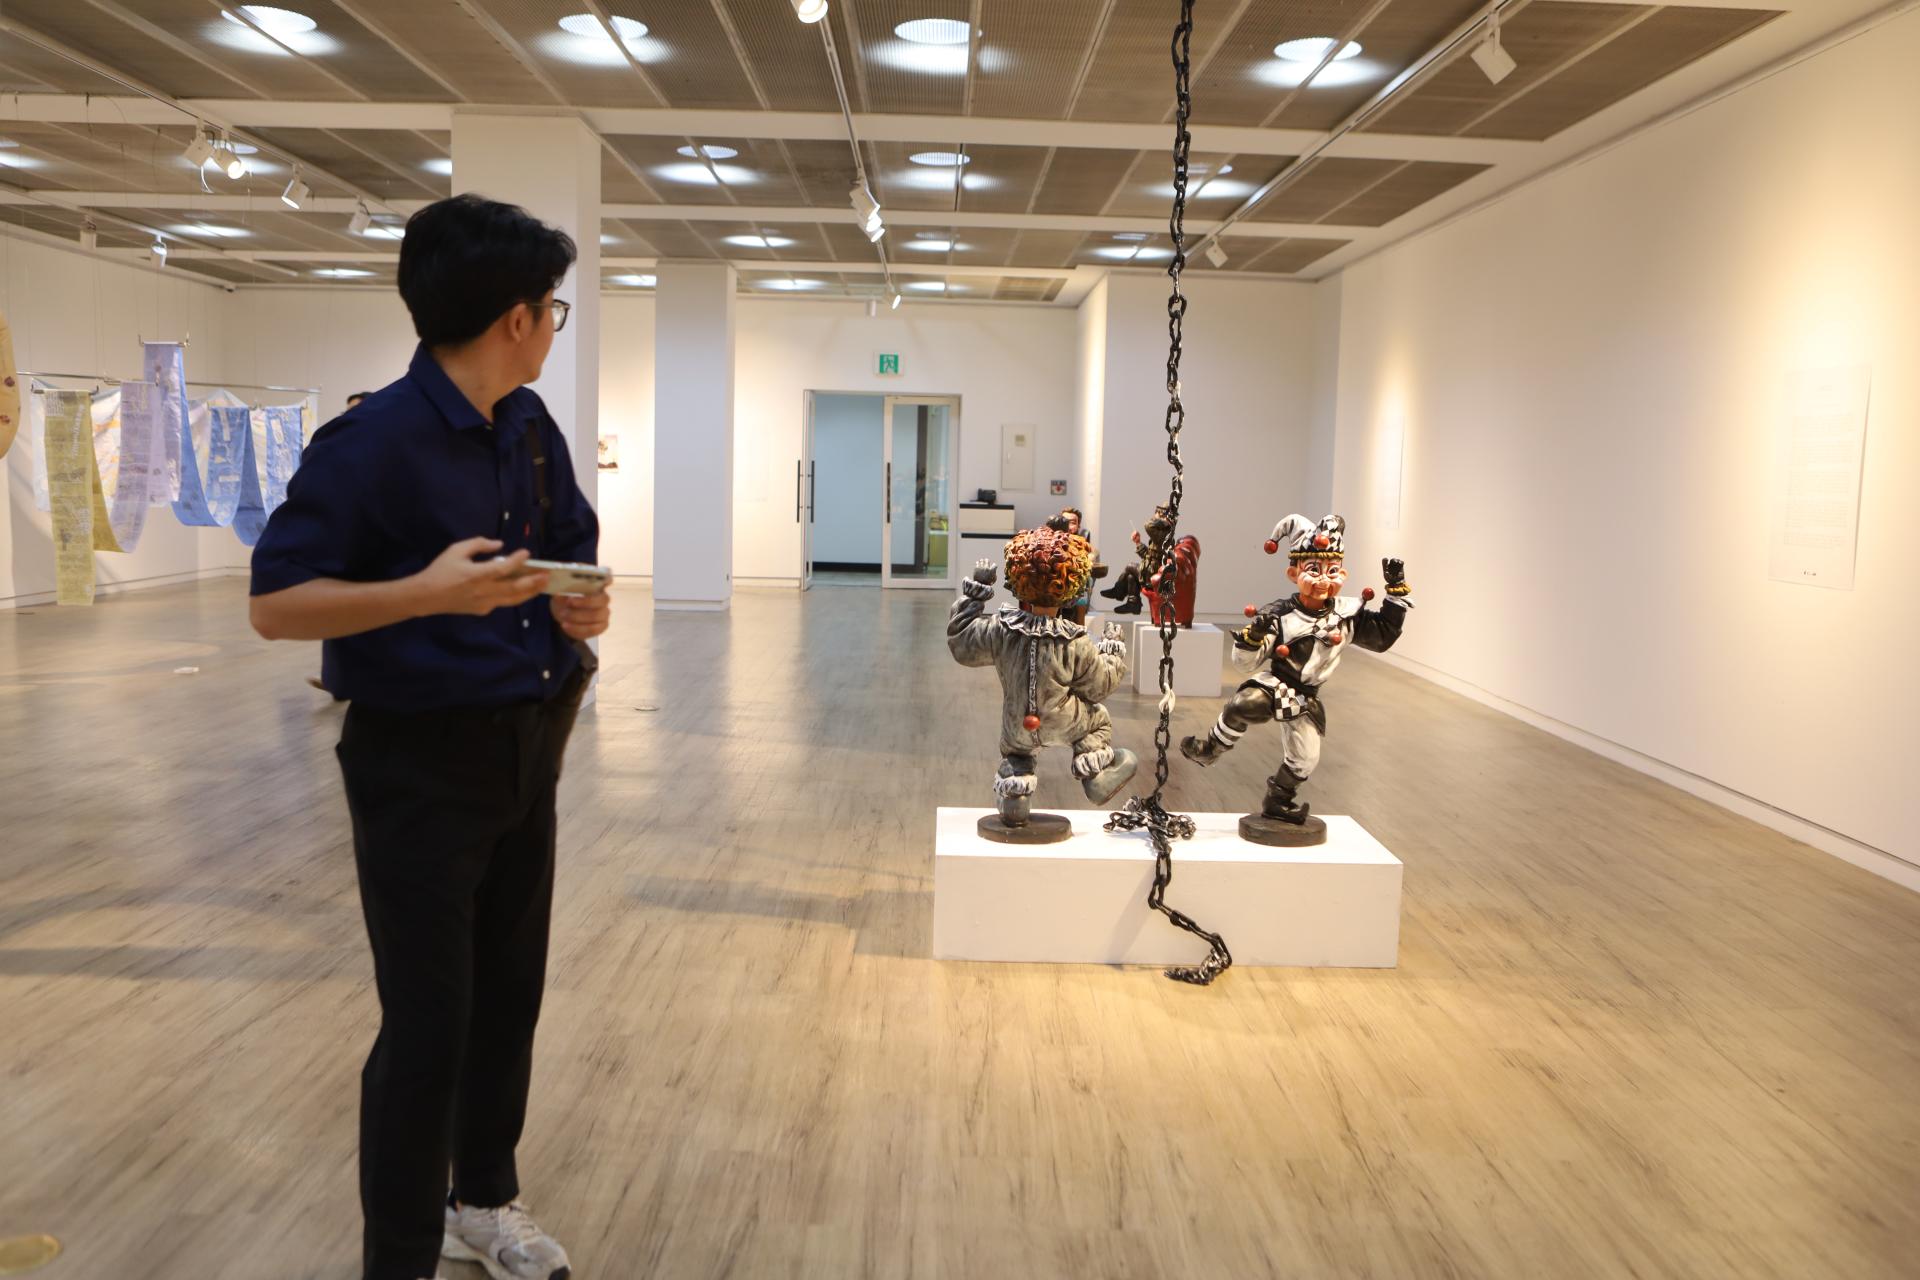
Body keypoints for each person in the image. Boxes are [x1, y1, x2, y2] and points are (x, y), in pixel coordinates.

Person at [249, 193, 605, 1280]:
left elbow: (570, 554)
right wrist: (424, 594)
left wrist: (581, 607)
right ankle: (397, 1257)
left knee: (506, 1001)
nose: (552, 328)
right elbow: (275, 605)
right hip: (418, 768)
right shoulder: (370, 443)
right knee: (427, 1028)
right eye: (552, 308)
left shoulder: (529, 428)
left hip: (529, 747)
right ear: (515, 318)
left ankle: (482, 1201)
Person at [1180, 513, 1410, 830]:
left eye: (1331, 571)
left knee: (1305, 760)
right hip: (1276, 683)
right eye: (1313, 570)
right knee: (1244, 705)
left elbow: (1382, 637)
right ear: (1293, 573)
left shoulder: (1348, 616)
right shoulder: (1280, 615)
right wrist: (1255, 636)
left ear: (1343, 573)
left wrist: (1395, 590)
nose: (1323, 580)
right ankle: (1211, 748)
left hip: (1306, 699)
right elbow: (1245, 663)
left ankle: (1278, 800)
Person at [948, 527, 1138, 833]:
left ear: (1014, 581)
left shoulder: (1002, 629)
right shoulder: (1074, 641)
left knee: (1016, 755)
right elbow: (1099, 686)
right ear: (1074, 587)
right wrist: (1112, 651)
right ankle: (1094, 774)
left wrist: (977, 590)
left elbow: (962, 643)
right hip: (1064, 721)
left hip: (1017, 725)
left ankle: (1015, 800)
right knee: (1097, 720)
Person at [308, 391, 379, 694]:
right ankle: (336, 678)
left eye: (357, 409)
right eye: (347, 410)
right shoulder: (336, 447)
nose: (350, 416)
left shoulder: (388, 449)